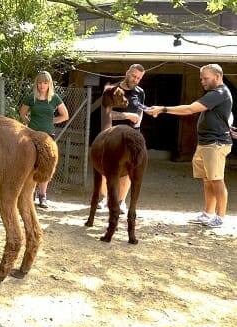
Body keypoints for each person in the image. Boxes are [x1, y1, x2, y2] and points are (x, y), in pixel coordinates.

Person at [146, 64, 233, 228]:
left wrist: (163, 109)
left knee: (217, 180)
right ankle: (208, 213)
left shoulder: (219, 93)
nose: (202, 81)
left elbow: (190, 109)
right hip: (206, 143)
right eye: (201, 78)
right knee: (207, 180)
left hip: (216, 144)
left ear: (218, 76)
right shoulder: (214, 94)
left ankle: (220, 217)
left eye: (205, 78)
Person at [97, 64, 146, 214]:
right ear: (127, 73)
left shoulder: (140, 92)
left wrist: (139, 119)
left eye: (138, 78)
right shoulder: (111, 89)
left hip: (132, 136)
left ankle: (121, 201)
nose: (135, 79)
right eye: (133, 76)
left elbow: (140, 110)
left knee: (129, 170)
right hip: (113, 135)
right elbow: (107, 113)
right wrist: (126, 116)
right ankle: (105, 199)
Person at [19, 71, 69, 208]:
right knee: (30, 165)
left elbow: (65, 115)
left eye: (45, 83)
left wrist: (51, 120)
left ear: (49, 84)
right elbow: (22, 113)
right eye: (40, 83)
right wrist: (29, 123)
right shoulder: (31, 98)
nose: (42, 86)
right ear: (36, 84)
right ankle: (30, 195)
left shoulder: (54, 98)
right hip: (32, 136)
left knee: (45, 166)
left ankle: (43, 196)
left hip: (47, 137)